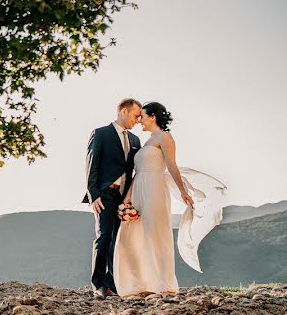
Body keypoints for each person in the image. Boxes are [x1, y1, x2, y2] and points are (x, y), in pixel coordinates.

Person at [113, 102, 226, 297]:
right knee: (130, 237)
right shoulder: (145, 142)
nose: (139, 121)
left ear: (153, 117)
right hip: (138, 189)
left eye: (143, 117)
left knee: (155, 234)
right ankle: (139, 284)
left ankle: (164, 285)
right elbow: (136, 173)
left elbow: (172, 166)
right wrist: (127, 198)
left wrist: (183, 191)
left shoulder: (165, 137)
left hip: (155, 190)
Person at [83, 98, 142, 299]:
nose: (137, 120)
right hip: (104, 193)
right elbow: (91, 165)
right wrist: (93, 195)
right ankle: (98, 284)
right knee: (104, 235)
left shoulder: (135, 141)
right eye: (135, 115)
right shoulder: (101, 134)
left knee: (117, 239)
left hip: (123, 197)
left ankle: (111, 282)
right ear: (123, 111)